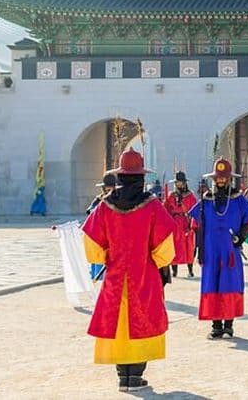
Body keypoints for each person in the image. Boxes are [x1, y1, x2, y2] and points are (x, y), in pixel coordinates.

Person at [82, 148, 176, 392]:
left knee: (119, 323)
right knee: (141, 319)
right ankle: (135, 376)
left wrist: (106, 258)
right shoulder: (152, 206)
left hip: (115, 274)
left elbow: (91, 241)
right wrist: (160, 262)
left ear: (120, 176)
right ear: (141, 177)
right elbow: (165, 242)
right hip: (143, 273)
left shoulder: (105, 206)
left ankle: (123, 376)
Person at [190, 158, 248, 339]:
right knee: (212, 284)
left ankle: (229, 324)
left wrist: (241, 236)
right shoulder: (205, 201)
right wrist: (198, 250)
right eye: (218, 178)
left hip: (230, 250)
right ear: (214, 179)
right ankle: (216, 325)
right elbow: (196, 225)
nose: (221, 180)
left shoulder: (238, 200)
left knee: (229, 284)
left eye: (224, 178)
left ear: (229, 179)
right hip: (211, 252)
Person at [85, 171, 118, 280]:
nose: (109, 192)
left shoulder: (118, 200)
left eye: (111, 189)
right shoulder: (99, 200)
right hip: (100, 237)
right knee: (98, 261)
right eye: (107, 190)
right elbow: (90, 212)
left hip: (114, 237)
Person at [165, 171, 197, 278]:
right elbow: (166, 209)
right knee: (174, 247)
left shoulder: (190, 196)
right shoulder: (171, 196)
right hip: (174, 224)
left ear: (184, 183)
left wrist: (191, 223)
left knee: (189, 247)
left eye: (180, 182)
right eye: (177, 183)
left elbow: (195, 210)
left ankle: (190, 270)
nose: (179, 184)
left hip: (186, 223)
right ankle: (174, 271)